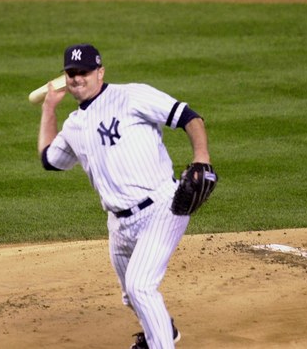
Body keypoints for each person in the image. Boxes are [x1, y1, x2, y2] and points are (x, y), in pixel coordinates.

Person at [37, 43, 213, 349]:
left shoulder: (131, 95)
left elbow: (189, 116)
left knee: (141, 286)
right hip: (119, 224)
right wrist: (49, 108)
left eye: (84, 72)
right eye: (71, 73)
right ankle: (163, 331)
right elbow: (49, 159)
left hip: (162, 206)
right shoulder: (73, 126)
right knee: (131, 296)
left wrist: (201, 158)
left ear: (100, 72)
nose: (78, 78)